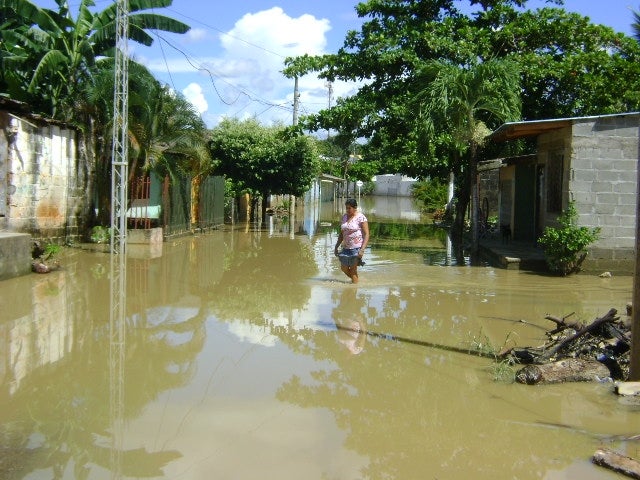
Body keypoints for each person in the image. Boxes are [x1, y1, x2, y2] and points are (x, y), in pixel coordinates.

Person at [334, 198, 369, 284]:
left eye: (349, 208)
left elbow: (367, 234)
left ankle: (353, 290)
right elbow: (342, 233)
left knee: (353, 270)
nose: (347, 210)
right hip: (345, 247)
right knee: (343, 268)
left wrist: (362, 249)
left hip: (356, 248)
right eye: (346, 208)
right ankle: (356, 282)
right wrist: (336, 246)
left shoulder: (361, 217)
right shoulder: (345, 217)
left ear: (355, 207)